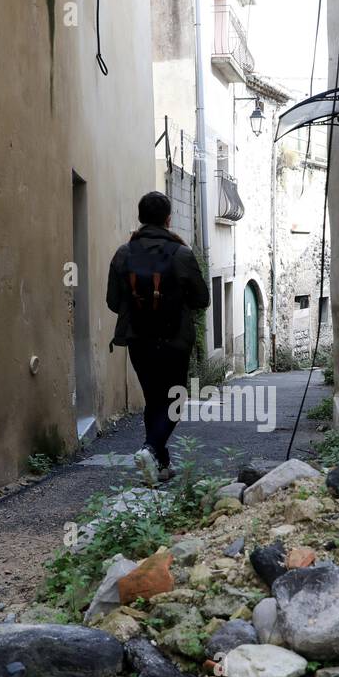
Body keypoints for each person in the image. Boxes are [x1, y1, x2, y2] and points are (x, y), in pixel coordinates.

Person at [106, 191, 210, 485]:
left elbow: (113, 302)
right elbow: (202, 299)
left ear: (140, 219)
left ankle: (161, 465)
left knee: (154, 399)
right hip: (175, 339)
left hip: (138, 338)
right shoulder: (182, 254)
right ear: (168, 219)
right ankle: (151, 449)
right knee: (174, 400)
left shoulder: (123, 254)